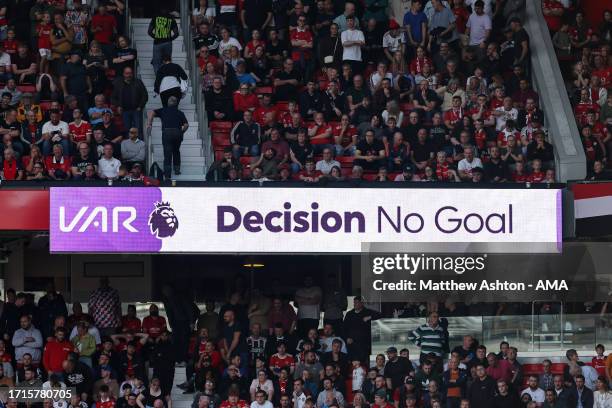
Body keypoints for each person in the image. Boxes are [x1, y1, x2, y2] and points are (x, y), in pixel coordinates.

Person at [147, 96, 189, 179]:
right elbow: (186, 125)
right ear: (176, 103)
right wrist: (181, 132)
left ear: (168, 103)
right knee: (176, 151)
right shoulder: (180, 112)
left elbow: (151, 112)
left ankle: (167, 175)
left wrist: (149, 123)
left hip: (167, 132)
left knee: (167, 154)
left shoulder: (163, 110)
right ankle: (177, 170)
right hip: (177, 132)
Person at [111, 66, 148, 134]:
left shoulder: (138, 82)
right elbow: (113, 98)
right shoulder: (119, 84)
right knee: (127, 130)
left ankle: (139, 144)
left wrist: (140, 106)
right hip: (125, 111)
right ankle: (130, 144)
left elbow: (145, 96)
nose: (129, 75)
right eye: (127, 73)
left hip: (136, 110)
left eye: (130, 73)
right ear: (123, 74)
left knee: (138, 130)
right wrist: (118, 105)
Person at [148, 8, 180, 73]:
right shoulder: (171, 18)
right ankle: (166, 78)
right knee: (167, 62)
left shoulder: (155, 17)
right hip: (168, 42)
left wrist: (156, 37)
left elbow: (149, 31)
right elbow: (176, 33)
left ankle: (159, 78)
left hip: (157, 43)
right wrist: (170, 39)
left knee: (156, 62)